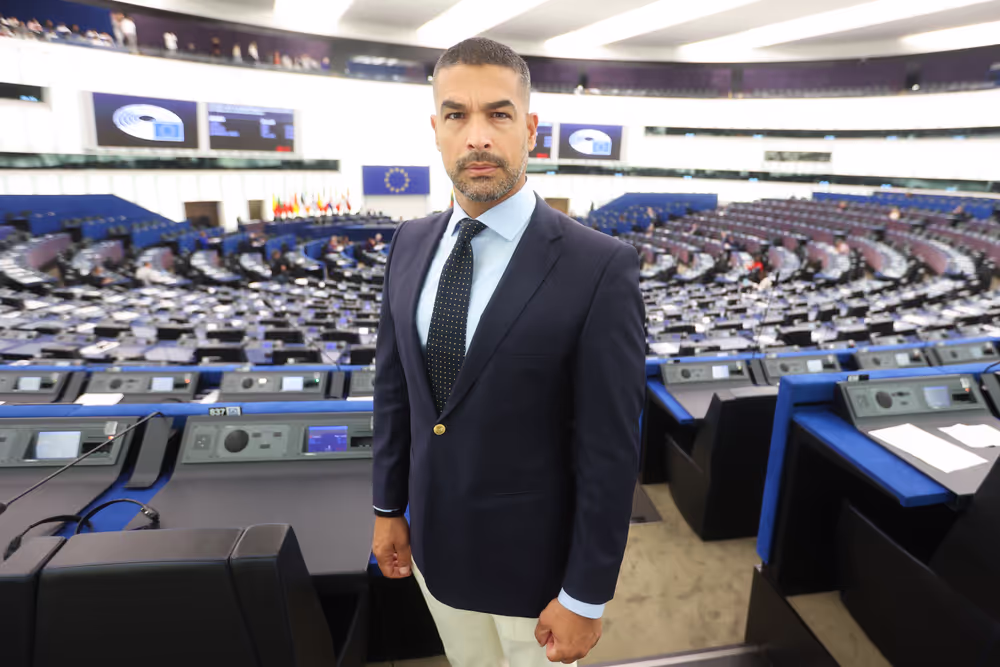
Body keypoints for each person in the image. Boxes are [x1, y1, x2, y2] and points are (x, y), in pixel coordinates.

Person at [371, 37, 644, 666]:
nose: (477, 137)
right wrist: (388, 508)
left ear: (530, 128)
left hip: (538, 579)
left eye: (497, 114)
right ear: (436, 129)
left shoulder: (599, 266)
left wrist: (587, 594)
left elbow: (609, 451)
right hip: (435, 555)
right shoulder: (408, 244)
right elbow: (395, 392)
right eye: (456, 115)